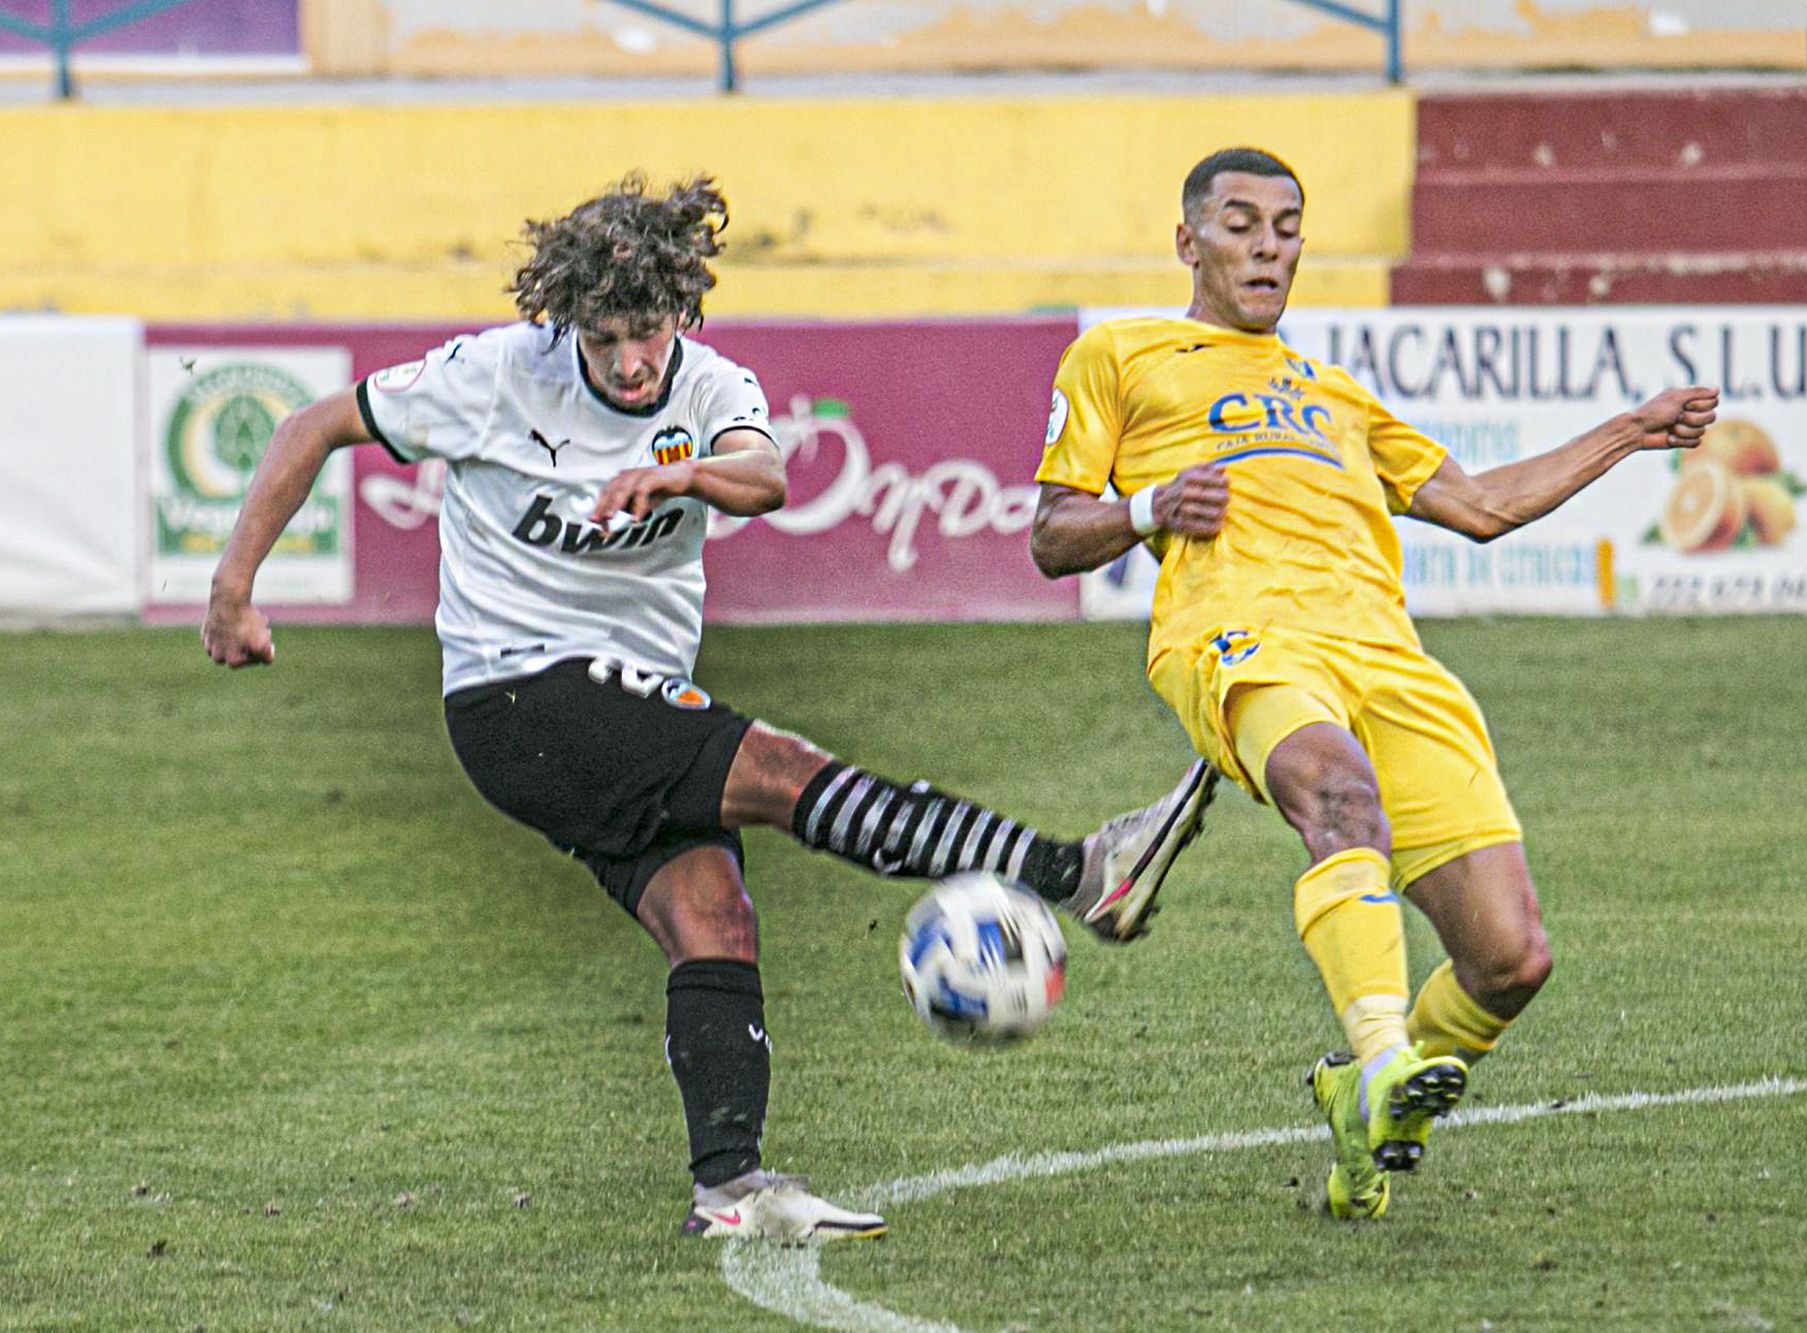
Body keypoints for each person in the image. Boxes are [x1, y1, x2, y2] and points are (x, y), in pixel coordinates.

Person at [201, 173, 1215, 1243]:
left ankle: (729, 1185)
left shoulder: (710, 387)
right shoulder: (495, 376)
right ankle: (1074, 871)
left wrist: (676, 478)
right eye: (603, 339)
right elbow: (315, 425)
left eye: (647, 331)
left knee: (713, 916)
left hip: (620, 700)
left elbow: (765, 476)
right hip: (514, 691)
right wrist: (232, 588)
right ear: (566, 326)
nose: (630, 361)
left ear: (682, 313)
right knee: (778, 771)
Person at [1028, 147, 1718, 1220]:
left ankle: (1362, 1099)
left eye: (1286, 227)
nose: (1267, 246)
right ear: (1187, 241)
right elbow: (1051, 535)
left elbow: (1481, 505)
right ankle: (1383, 1052)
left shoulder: (1333, 391)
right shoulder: (1119, 354)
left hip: (1387, 657)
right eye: (1240, 223)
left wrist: (1631, 429)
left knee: (1509, 958)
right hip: (1239, 633)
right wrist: (1150, 505)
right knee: (1339, 797)